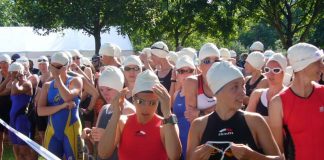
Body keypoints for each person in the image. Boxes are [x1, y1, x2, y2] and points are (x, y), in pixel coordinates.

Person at [187, 61, 281, 160]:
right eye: (235, 87)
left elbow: (280, 158)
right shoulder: (199, 125)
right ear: (217, 92)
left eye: (243, 85)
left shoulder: (255, 121)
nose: (243, 92)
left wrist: (254, 157)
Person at [98, 70, 182, 160]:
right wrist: (115, 115)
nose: (146, 107)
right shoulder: (122, 122)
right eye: (140, 101)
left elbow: (175, 156)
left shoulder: (166, 125)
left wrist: (167, 113)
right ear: (133, 99)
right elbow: (103, 153)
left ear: (158, 102)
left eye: (152, 103)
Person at [268, 43, 324, 160]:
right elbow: (277, 151)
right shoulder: (277, 103)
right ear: (304, 66)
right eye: (318, 62)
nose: (322, 66)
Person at [81, 66, 135, 160]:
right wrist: (90, 134)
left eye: (109, 89)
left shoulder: (128, 110)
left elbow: (132, 146)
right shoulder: (104, 109)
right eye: (101, 90)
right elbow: (97, 143)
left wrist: (106, 136)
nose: (104, 93)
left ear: (119, 88)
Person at [37, 52, 84, 159]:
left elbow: (68, 97)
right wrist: (61, 107)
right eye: (52, 65)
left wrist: (57, 78)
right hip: (52, 131)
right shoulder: (47, 86)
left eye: (57, 66)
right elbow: (40, 111)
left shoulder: (75, 80)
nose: (54, 69)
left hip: (71, 129)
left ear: (66, 66)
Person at [246, 53, 287, 121]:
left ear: (284, 72)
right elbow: (247, 120)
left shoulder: (289, 95)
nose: (270, 74)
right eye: (267, 70)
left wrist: (258, 119)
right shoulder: (257, 94)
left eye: (276, 70)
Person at [184, 43, 218, 122]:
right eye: (207, 61)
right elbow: (192, 117)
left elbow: (232, 109)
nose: (212, 64)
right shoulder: (192, 82)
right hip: (202, 132)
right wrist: (218, 108)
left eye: (216, 60)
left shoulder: (226, 80)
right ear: (200, 65)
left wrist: (200, 113)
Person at [172, 55, 196, 160]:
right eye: (182, 71)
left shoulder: (200, 93)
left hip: (195, 141)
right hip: (179, 142)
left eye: (189, 70)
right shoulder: (176, 94)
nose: (186, 74)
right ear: (177, 75)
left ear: (194, 72)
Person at [8, 62, 33, 160]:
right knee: (16, 149)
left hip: (22, 119)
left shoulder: (27, 83)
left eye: (12, 73)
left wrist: (17, 79)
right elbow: (7, 87)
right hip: (13, 120)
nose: (10, 75)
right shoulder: (14, 82)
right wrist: (13, 79)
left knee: (24, 149)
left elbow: (15, 90)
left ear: (19, 73)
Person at [33, 56, 51, 145]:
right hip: (39, 109)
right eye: (40, 64)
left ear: (48, 64)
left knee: (50, 132)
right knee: (42, 133)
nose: (42, 66)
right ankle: (45, 153)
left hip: (49, 108)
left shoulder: (53, 77)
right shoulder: (38, 78)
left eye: (44, 64)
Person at [0, 54, 12, 160]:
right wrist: (7, 79)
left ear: (10, 63)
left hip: (13, 110)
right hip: (0, 111)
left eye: (5, 62)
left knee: (16, 139)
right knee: (0, 139)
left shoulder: (15, 74)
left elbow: (13, 91)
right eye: (1, 62)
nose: (3, 65)